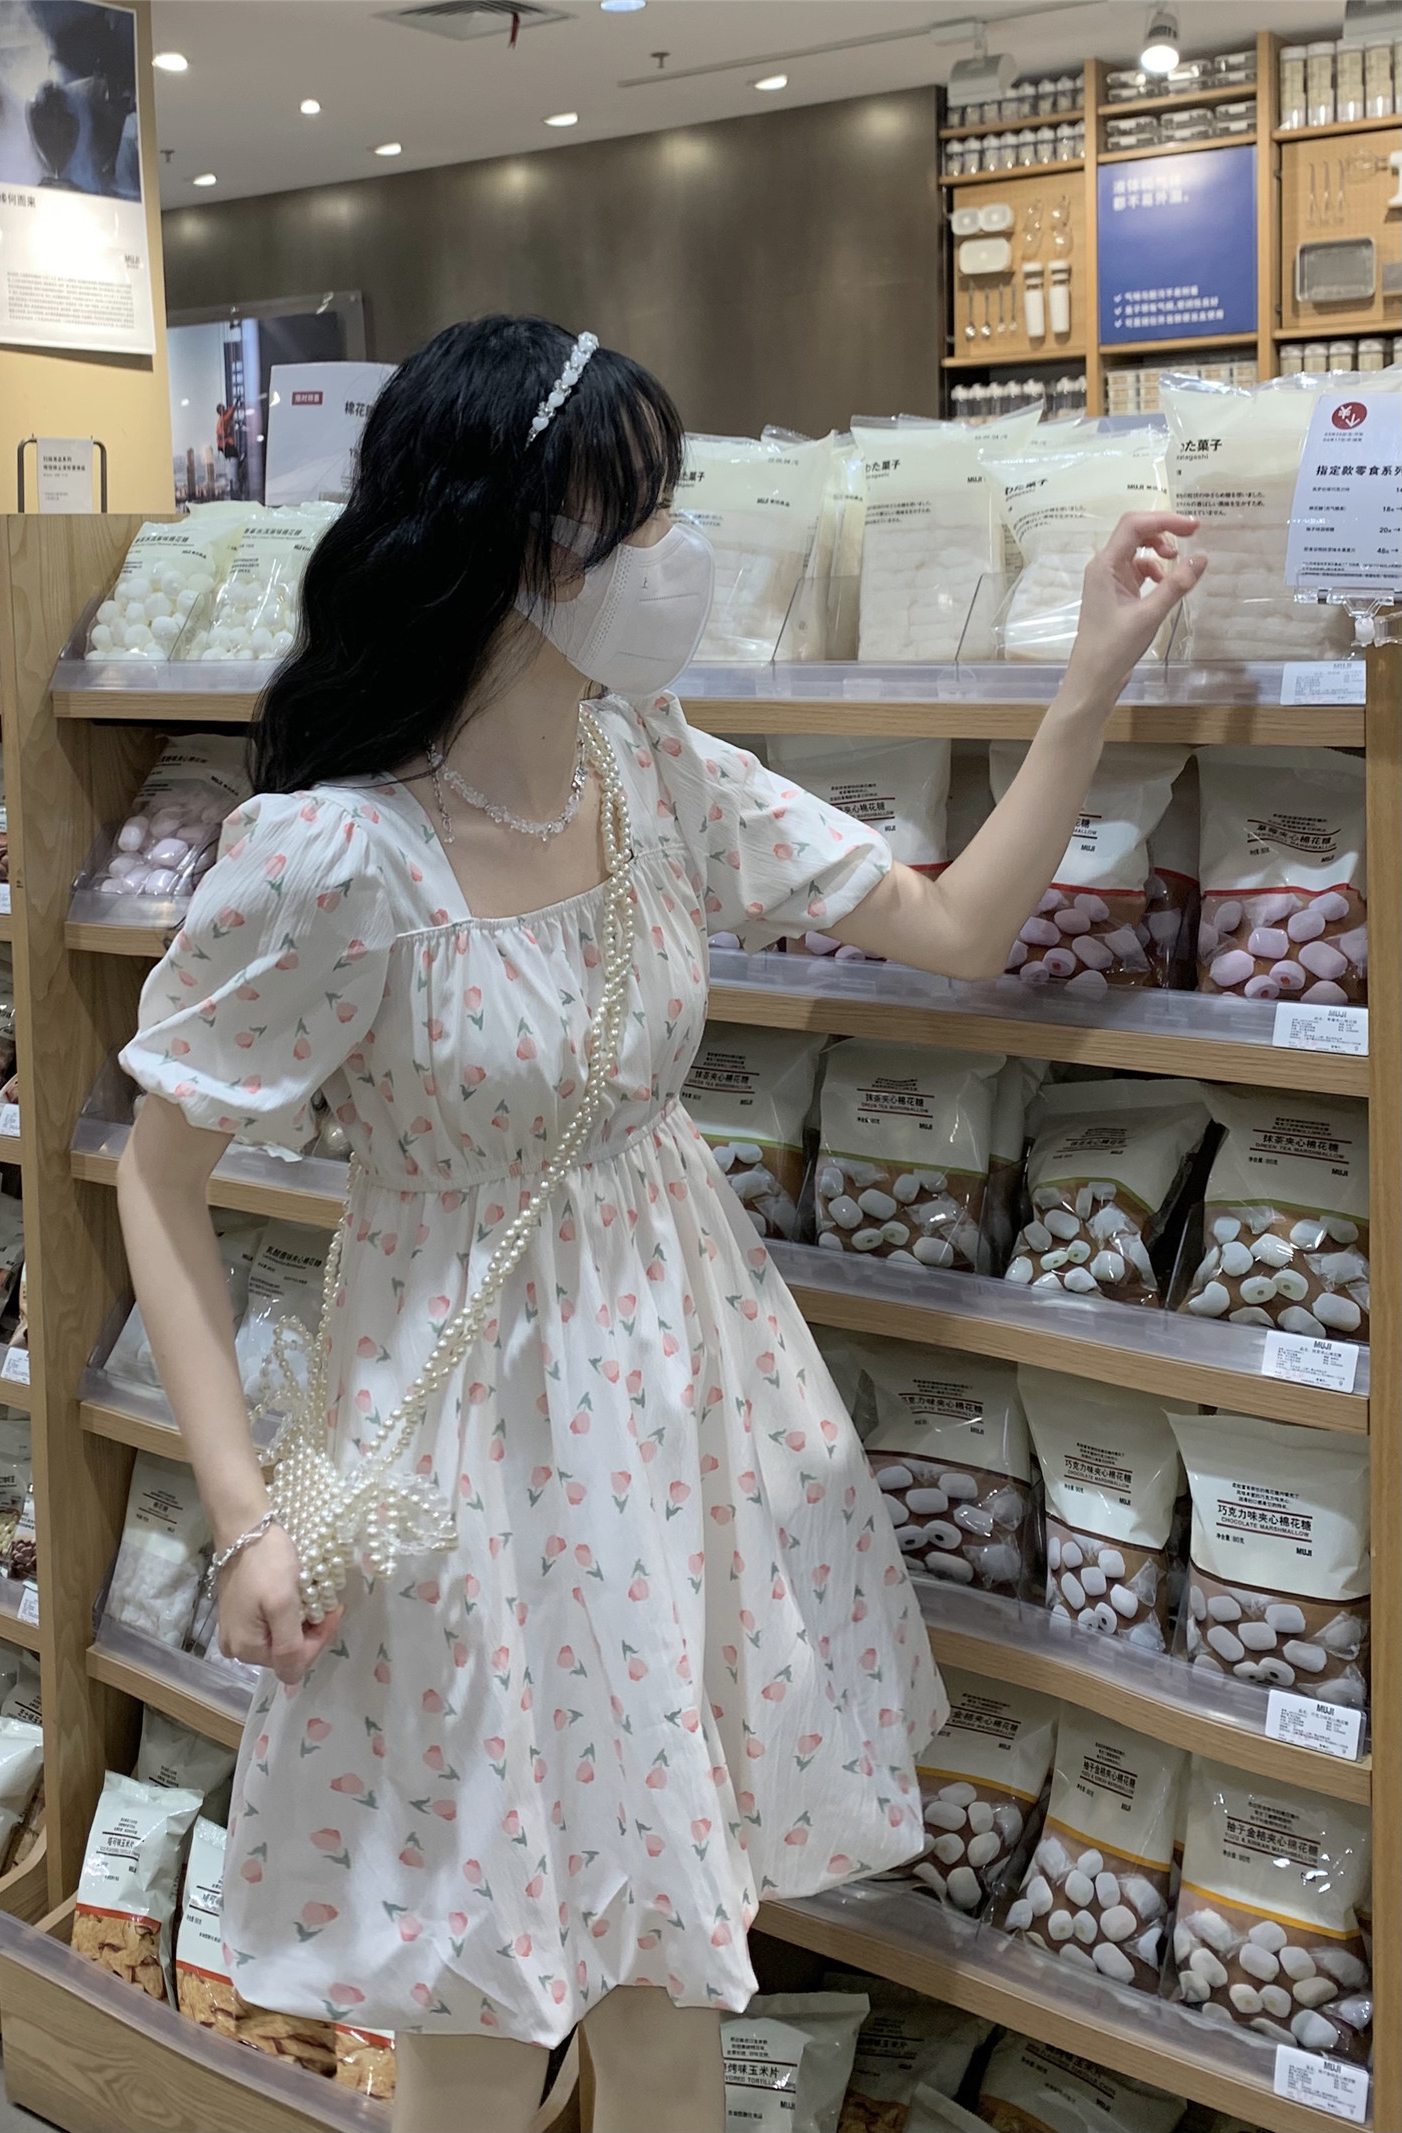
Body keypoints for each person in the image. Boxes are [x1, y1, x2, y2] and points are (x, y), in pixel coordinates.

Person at [117, 315, 1204, 2133]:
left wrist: (1088, 682)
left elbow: (951, 928)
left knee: (672, 1953)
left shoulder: (651, 770)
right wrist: (244, 1513)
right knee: (473, 1974)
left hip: (684, 1410)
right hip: (464, 1451)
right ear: (503, 539)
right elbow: (159, 1179)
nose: (675, 552)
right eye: (636, 518)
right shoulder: (331, 861)